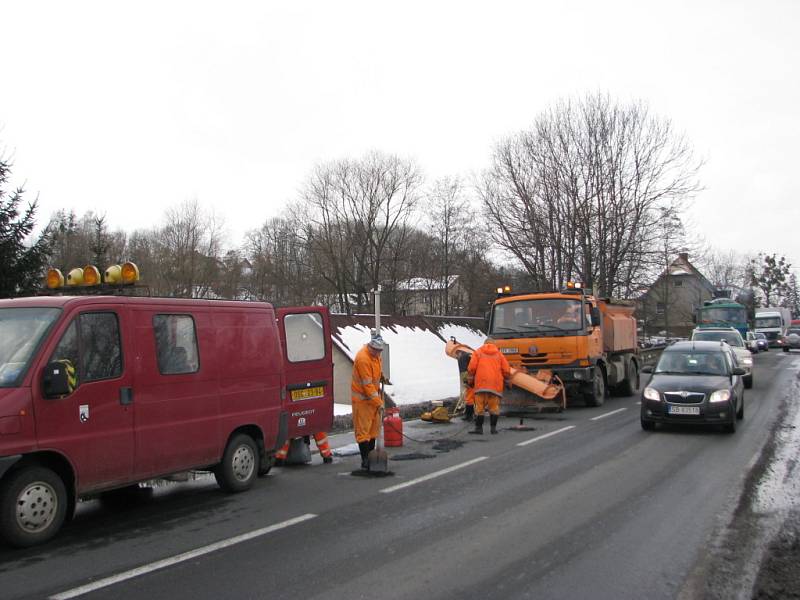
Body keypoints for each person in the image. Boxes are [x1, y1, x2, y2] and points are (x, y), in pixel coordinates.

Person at [351, 335, 385, 469]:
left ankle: (371, 457)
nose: (378, 353)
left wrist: (381, 376)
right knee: (363, 432)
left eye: (380, 351)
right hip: (362, 400)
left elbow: (375, 372)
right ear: (370, 347)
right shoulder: (363, 359)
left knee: (373, 430)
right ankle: (365, 459)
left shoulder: (376, 356)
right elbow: (367, 385)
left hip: (372, 400)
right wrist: (379, 403)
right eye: (376, 350)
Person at [467, 342, 511, 434]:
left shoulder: (478, 352)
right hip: (495, 386)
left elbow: (472, 368)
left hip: (481, 385)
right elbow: (506, 370)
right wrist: (507, 381)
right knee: (494, 408)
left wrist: (470, 381)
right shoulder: (499, 354)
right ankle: (493, 429)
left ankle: (479, 429)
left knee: (479, 408)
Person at [456, 349, 475, 421]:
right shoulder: (469, 355)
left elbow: (463, 371)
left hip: (471, 380)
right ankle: (475, 413)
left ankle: (469, 415)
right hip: (478, 378)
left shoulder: (462, 358)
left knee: (469, 398)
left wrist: (465, 381)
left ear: (459, 354)